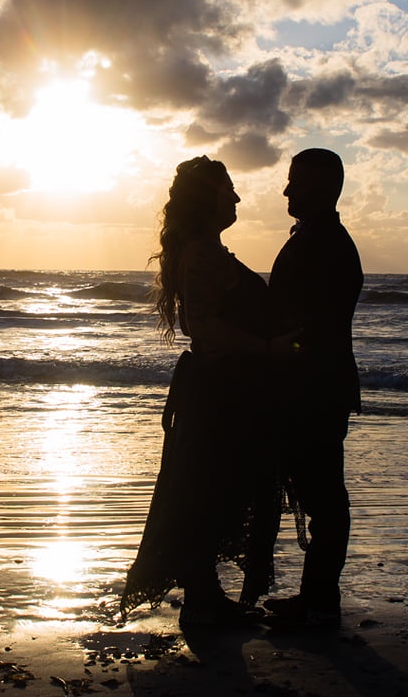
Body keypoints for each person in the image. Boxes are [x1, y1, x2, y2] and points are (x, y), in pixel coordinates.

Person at [119, 156, 298, 629]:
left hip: (229, 389)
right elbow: (206, 329)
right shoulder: (200, 254)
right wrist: (269, 347)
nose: (237, 198)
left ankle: (205, 593)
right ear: (207, 199)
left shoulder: (210, 252)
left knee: (216, 488)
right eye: (228, 190)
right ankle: (202, 596)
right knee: (209, 489)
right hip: (219, 392)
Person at [262, 148, 363, 632]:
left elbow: (318, 328)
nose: (286, 191)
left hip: (314, 389)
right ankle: (317, 596)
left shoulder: (325, 244)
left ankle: (320, 601)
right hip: (316, 385)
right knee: (319, 493)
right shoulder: (321, 239)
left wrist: (281, 352)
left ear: (321, 189)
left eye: (295, 182)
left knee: (324, 497)